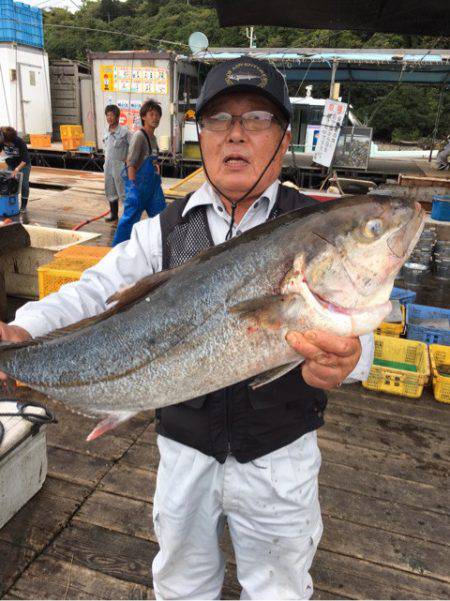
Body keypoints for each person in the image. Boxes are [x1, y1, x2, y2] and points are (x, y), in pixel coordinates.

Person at [0, 58, 373, 600]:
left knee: (280, 588)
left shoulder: (314, 226)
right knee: (180, 583)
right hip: (185, 450)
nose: (237, 134)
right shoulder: (166, 230)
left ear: (285, 138)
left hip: (279, 455)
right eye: (220, 119)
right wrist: (23, 330)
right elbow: (94, 288)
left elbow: (359, 343)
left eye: (258, 119)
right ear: (202, 135)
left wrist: (348, 360)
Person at [112, 99, 166, 245]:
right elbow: (131, 163)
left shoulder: (153, 138)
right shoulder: (139, 136)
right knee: (128, 222)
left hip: (152, 189)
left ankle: (160, 248)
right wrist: (132, 188)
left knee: (162, 219)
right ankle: (116, 251)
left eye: (157, 115)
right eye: (151, 114)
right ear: (143, 117)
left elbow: (151, 161)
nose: (155, 118)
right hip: (139, 188)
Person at [102, 104, 132, 222]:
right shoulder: (106, 131)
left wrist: (129, 161)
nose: (109, 118)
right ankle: (114, 215)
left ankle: (128, 217)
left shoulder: (124, 132)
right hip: (108, 166)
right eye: (107, 115)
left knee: (123, 192)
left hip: (120, 166)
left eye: (112, 115)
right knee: (110, 190)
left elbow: (133, 146)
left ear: (117, 117)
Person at [0, 126, 31, 212]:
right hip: (11, 164)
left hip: (23, 165)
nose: (6, 144)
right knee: (9, 183)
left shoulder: (20, 142)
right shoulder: (1, 140)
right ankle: (10, 204)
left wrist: (17, 170)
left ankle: (23, 206)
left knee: (24, 184)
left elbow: (25, 159)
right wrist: (3, 156)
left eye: (8, 143)